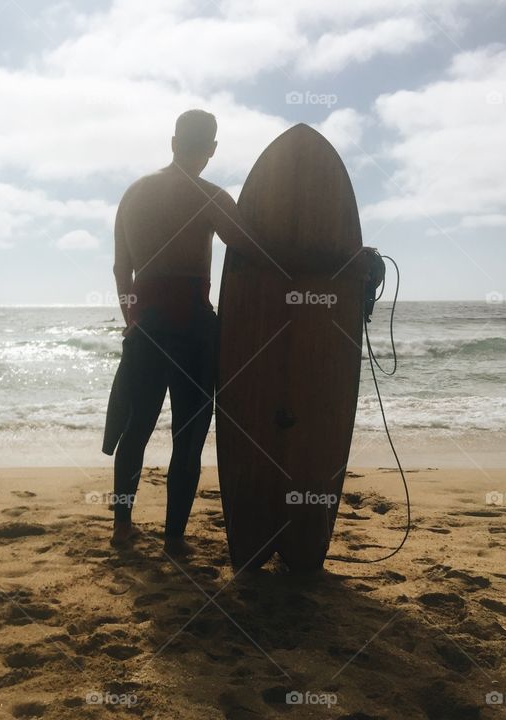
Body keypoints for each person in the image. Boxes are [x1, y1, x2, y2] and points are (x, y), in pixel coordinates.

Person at [105, 109, 383, 556]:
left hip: (146, 328)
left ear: (172, 141)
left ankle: (122, 526)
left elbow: (122, 268)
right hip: (193, 329)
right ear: (212, 149)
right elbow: (258, 252)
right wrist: (339, 263)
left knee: (134, 432)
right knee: (188, 439)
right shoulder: (210, 196)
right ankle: (173, 538)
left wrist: (131, 322)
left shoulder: (133, 194)